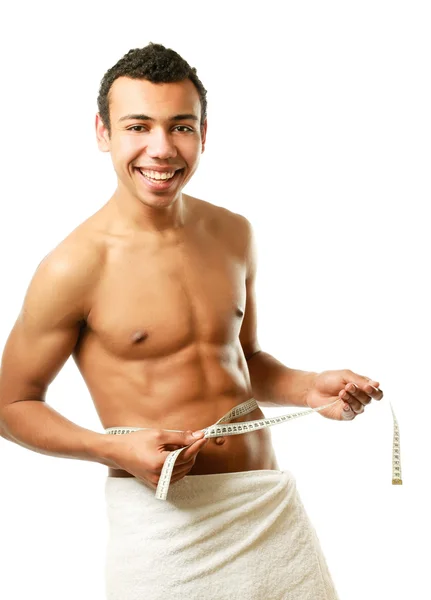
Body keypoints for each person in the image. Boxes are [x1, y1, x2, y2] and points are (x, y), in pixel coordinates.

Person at [0, 42, 383, 600]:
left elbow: (241, 360)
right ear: (103, 132)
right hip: (164, 531)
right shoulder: (74, 265)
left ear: (205, 133)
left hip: (266, 507)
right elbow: (11, 407)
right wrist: (113, 449)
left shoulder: (234, 234)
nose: (161, 148)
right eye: (138, 126)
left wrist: (307, 388)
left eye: (181, 126)